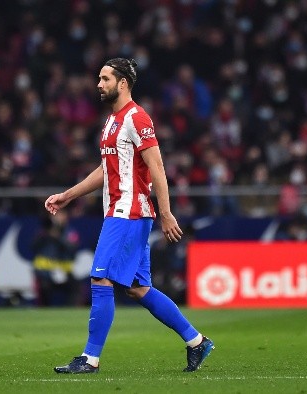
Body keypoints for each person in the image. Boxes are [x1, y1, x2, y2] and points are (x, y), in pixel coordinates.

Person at [44, 58, 214, 374]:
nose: (98, 84)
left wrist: (166, 212)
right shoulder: (111, 122)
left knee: (100, 277)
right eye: (99, 78)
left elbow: (158, 167)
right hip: (120, 212)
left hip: (130, 212)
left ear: (122, 83)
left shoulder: (138, 118)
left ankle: (90, 359)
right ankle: (196, 341)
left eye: (105, 78)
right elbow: (105, 171)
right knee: (137, 288)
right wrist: (68, 195)